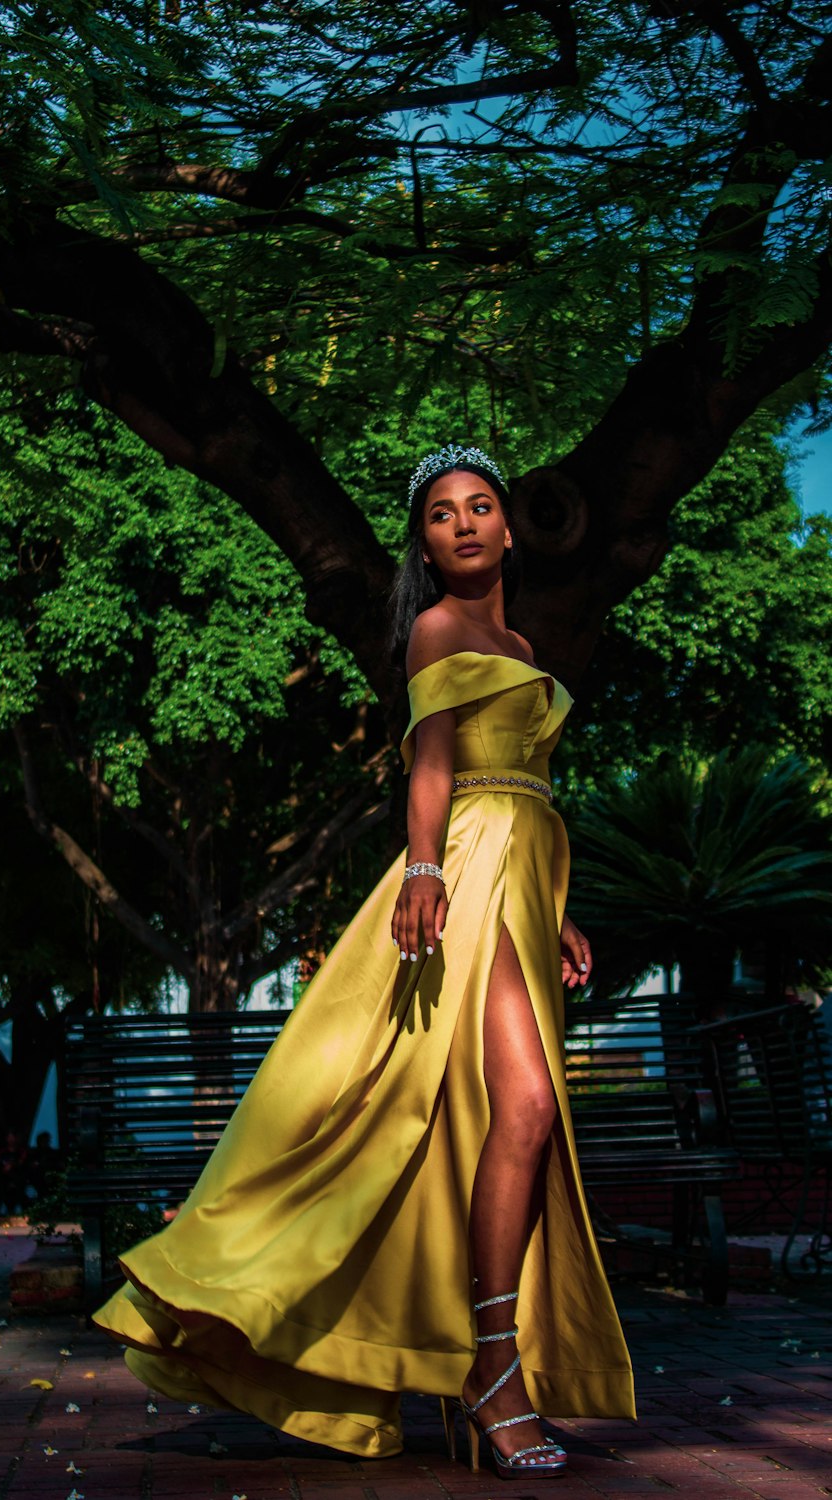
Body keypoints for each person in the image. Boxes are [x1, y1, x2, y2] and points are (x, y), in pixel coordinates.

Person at [94, 444, 635, 1476]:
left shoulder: (515, 635)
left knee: (503, 1122)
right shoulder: (437, 628)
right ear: (425, 546)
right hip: (466, 873)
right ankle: (489, 1368)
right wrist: (425, 870)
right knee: (514, 1111)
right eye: (442, 513)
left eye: (482, 506)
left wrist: (557, 911)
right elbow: (433, 765)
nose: (466, 522)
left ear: (511, 528)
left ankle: (485, 1365)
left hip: (521, 882)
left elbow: (526, 788)